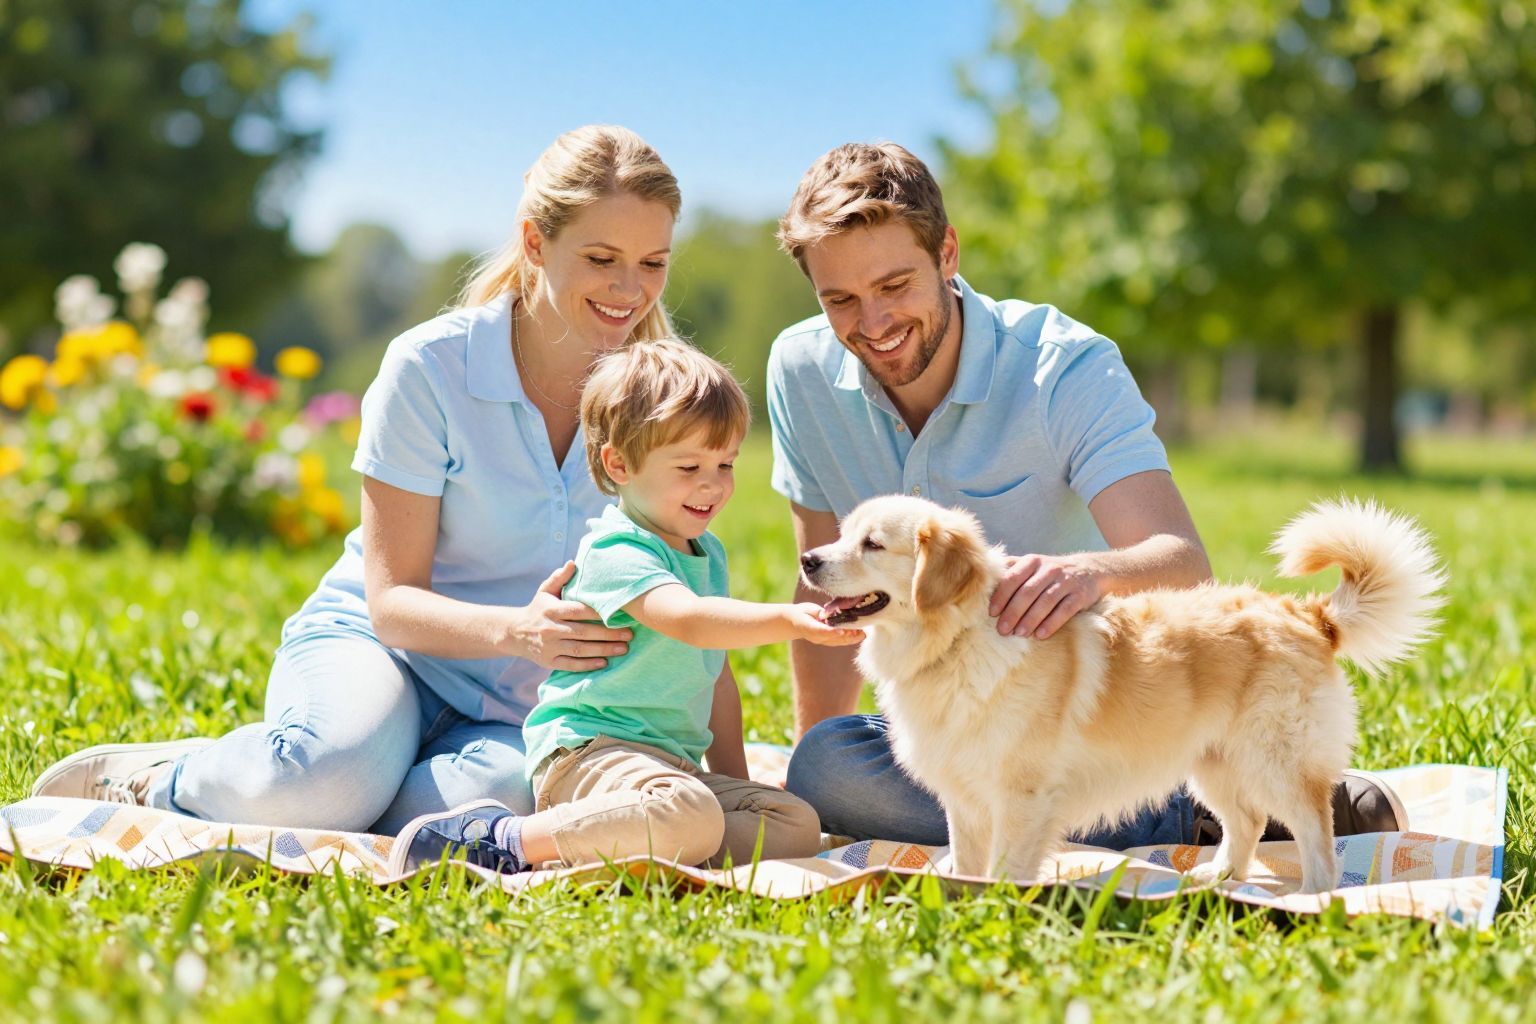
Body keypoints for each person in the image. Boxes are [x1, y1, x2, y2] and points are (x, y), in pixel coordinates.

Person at [30, 125, 689, 835]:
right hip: (383, 653)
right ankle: (166, 779)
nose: (630, 289)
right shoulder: (432, 368)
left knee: (484, 807)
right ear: (535, 243)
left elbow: (682, 583)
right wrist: (518, 631)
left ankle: (350, 775)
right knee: (324, 780)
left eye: (653, 262)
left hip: (519, 703)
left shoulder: (665, 400)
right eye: (601, 258)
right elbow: (392, 603)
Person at [768, 142, 1406, 847]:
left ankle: (1199, 801)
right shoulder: (799, 371)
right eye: (840, 300)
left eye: (894, 285)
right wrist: (813, 792)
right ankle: (1122, 809)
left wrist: (1087, 573)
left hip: (1100, 715)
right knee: (828, 763)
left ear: (947, 253)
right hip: (947, 708)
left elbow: (1181, 561)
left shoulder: (1066, 367)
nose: (873, 323)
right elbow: (824, 604)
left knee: (1020, 770)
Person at [387, 339, 858, 874]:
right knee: (690, 813)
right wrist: (788, 619)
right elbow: (687, 620)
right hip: (591, 756)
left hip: (670, 768)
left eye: (725, 463)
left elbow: (717, 676)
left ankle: (644, 839)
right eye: (689, 466)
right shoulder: (618, 550)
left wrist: (737, 784)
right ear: (620, 464)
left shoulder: (706, 553)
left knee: (794, 824)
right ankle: (502, 839)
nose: (713, 484)